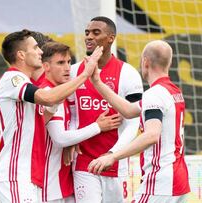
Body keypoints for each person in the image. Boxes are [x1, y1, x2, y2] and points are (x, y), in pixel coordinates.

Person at [0, 29, 103, 202]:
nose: (40, 52)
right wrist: (85, 74)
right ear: (21, 55)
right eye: (36, 48)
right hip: (16, 173)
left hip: (29, 175)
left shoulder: (25, 84)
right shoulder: (13, 79)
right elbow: (48, 97)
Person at [87, 40, 190, 203]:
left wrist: (112, 157)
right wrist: (97, 83)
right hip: (178, 180)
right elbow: (128, 110)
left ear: (145, 62)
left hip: (161, 182)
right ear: (169, 63)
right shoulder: (173, 91)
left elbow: (151, 135)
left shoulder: (154, 94)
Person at [67, 16, 144, 203]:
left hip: (117, 164)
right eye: (87, 33)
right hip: (83, 162)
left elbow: (133, 122)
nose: (89, 37)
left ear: (111, 38)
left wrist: (112, 154)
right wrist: (70, 139)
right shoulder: (73, 72)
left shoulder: (128, 73)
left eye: (96, 32)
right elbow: (70, 114)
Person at [39, 41, 122, 203]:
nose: (67, 68)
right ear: (46, 66)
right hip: (49, 185)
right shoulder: (48, 92)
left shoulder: (61, 92)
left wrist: (73, 141)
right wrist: (98, 126)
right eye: (60, 63)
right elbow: (60, 138)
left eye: (69, 62)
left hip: (62, 181)